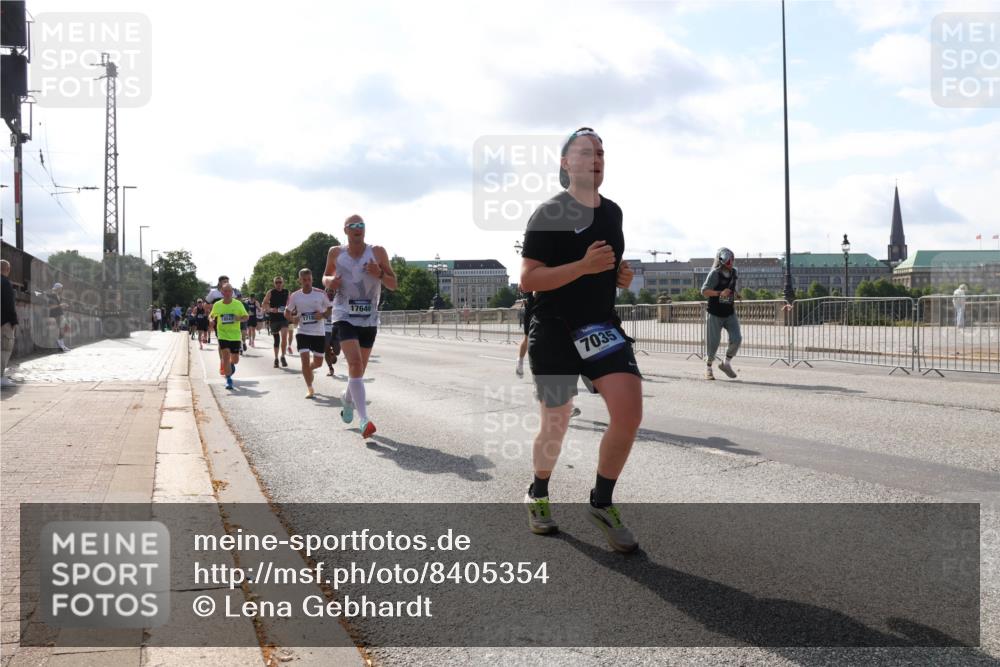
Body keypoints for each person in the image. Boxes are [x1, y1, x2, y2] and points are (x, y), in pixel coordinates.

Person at [519, 127, 641, 553]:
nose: (597, 159)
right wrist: (584, 267)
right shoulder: (548, 214)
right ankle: (538, 492)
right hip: (553, 327)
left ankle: (601, 503)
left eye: (602, 153)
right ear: (565, 163)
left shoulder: (614, 213)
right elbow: (529, 279)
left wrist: (619, 275)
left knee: (629, 412)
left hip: (599, 327)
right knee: (557, 419)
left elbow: (609, 268)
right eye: (587, 152)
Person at [323, 214, 397, 439]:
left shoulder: (378, 252)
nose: (358, 228)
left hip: (369, 317)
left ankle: (347, 399)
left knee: (360, 369)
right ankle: (364, 419)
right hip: (343, 314)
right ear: (345, 230)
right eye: (353, 226)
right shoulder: (336, 252)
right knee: (354, 362)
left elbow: (394, 284)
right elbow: (325, 276)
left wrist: (380, 273)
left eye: (361, 225)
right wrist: (330, 282)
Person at [286, 269, 333, 399]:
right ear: (300, 280)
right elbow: (287, 311)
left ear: (312, 279)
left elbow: (329, 309)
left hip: (318, 333)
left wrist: (323, 315)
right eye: (304, 280)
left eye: (309, 279)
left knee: (318, 363)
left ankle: (309, 370)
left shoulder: (320, 293)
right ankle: (310, 388)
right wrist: (292, 319)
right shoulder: (295, 296)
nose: (307, 282)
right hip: (302, 332)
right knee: (304, 362)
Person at [701, 247, 741, 380]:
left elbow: (732, 288)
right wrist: (719, 293)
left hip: (729, 312)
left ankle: (726, 363)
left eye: (733, 259)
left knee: (737, 338)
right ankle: (708, 368)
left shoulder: (734, 273)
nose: (732, 262)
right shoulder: (715, 273)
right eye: (730, 259)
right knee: (713, 343)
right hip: (715, 313)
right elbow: (704, 291)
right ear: (723, 259)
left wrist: (736, 293)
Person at [209, 283, 248, 390]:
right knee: (225, 356)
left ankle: (231, 365)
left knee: (235, 360)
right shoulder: (217, 304)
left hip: (235, 335)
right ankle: (228, 379)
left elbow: (246, 317)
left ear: (232, 293)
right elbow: (211, 315)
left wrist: (238, 318)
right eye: (225, 291)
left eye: (229, 291)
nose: (227, 293)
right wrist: (211, 320)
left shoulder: (238, 304)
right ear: (222, 292)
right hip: (222, 334)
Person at [262, 276, 291, 368]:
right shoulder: (271, 292)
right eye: (276, 282)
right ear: (274, 284)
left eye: (280, 282)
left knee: (284, 337)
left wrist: (290, 310)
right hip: (274, 318)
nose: (278, 284)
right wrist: (270, 309)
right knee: (276, 340)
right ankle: (276, 358)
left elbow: (291, 303)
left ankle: (282, 356)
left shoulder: (287, 292)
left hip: (283, 318)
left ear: (283, 283)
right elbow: (264, 303)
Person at [1, 260, 18, 388]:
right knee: (5, 349)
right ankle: (0, 377)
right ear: (8, 269)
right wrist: (13, 321)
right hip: (4, 322)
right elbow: (9, 304)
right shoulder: (6, 283)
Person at [324, 286, 341, 376]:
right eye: (329, 291)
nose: (330, 293)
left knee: (337, 351)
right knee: (326, 349)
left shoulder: (338, 302)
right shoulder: (322, 302)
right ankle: (330, 368)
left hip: (336, 329)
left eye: (332, 291)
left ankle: (333, 353)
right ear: (326, 292)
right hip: (325, 329)